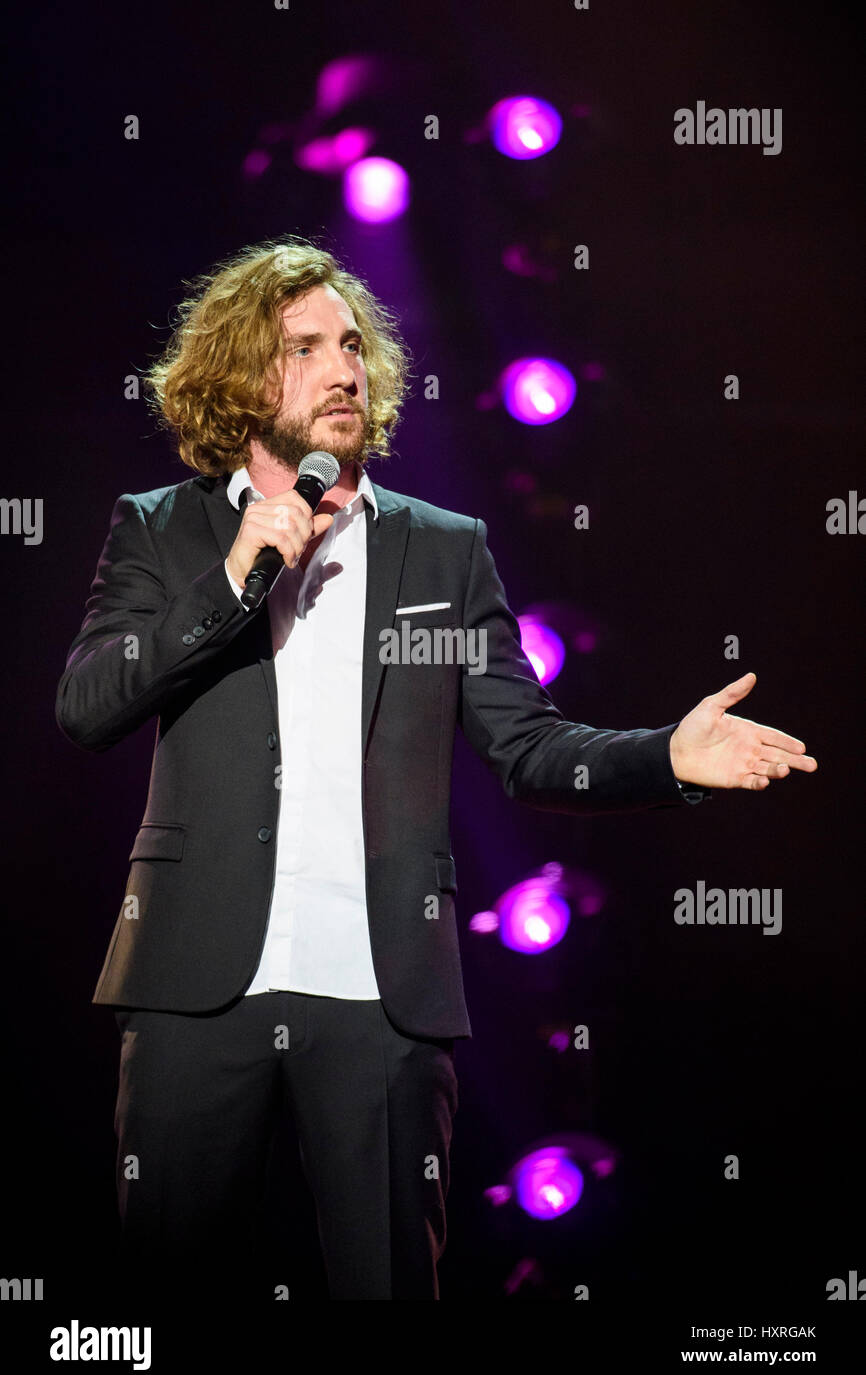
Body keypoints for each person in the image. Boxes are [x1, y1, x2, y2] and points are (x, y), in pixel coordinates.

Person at [55, 236, 817, 1304]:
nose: (345, 369)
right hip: (191, 984)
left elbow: (527, 745)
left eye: (355, 345)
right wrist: (232, 577)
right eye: (306, 346)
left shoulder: (440, 549)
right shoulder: (162, 528)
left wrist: (666, 757)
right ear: (237, 373)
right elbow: (87, 705)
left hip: (382, 997)